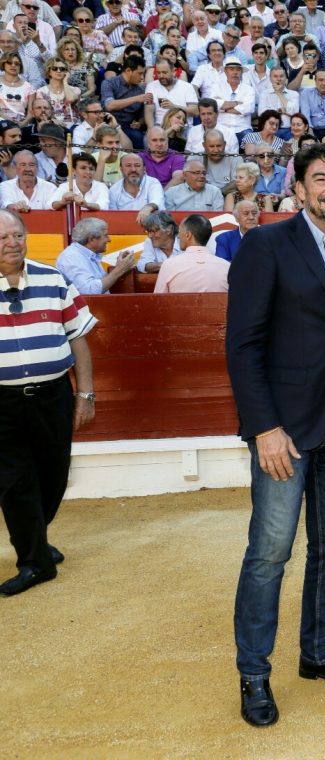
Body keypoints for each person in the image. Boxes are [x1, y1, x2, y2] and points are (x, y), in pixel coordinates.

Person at [226, 143, 325, 728]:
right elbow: (242, 345)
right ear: (298, 187)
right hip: (283, 428)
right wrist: (264, 427)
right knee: (269, 553)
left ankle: (317, 653)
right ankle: (254, 674)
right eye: (322, 179)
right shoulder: (266, 244)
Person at [0, 209, 97, 596]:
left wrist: (85, 394)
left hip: (52, 395)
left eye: (17, 236)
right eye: (4, 237)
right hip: (2, 403)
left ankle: (36, 540)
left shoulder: (53, 279)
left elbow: (79, 338)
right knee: (14, 482)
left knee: (53, 475)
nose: (12, 243)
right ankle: (35, 563)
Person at [55, 217, 134, 295]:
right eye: (105, 235)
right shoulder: (71, 257)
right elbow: (89, 291)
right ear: (91, 239)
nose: (109, 239)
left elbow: (100, 284)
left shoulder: (88, 254)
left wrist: (119, 267)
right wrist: (120, 269)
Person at [154, 214, 230, 293]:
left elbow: (158, 301)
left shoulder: (169, 265)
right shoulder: (226, 266)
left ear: (188, 235)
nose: (178, 237)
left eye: (179, 232)